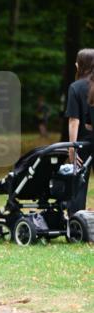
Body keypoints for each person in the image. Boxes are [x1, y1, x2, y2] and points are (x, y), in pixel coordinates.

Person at [65, 48, 94, 208]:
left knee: (78, 185)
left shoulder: (75, 87)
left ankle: (76, 225)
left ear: (81, 65)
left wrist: (72, 148)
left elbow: (74, 121)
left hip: (83, 144)